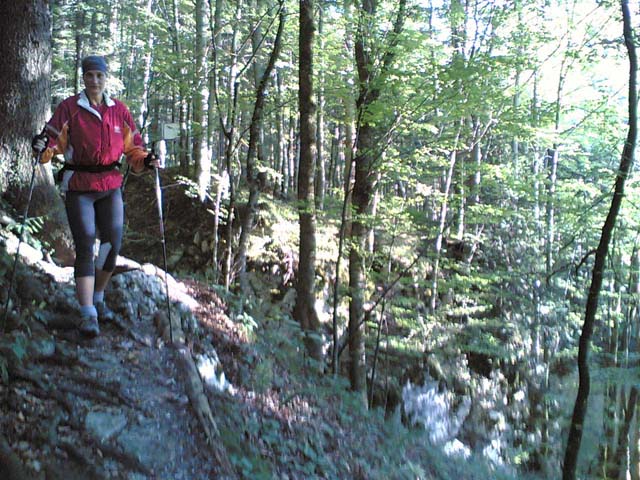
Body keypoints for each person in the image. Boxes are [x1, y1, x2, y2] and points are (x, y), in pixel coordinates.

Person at [32, 54, 160, 337]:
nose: (94, 80)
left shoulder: (119, 111)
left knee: (112, 245)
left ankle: (99, 298)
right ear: (84, 77)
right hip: (79, 186)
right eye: (89, 75)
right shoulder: (69, 108)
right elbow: (50, 141)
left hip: (111, 185)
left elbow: (134, 149)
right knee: (86, 244)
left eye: (99, 75)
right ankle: (87, 312)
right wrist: (41, 147)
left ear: (106, 78)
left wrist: (146, 160)